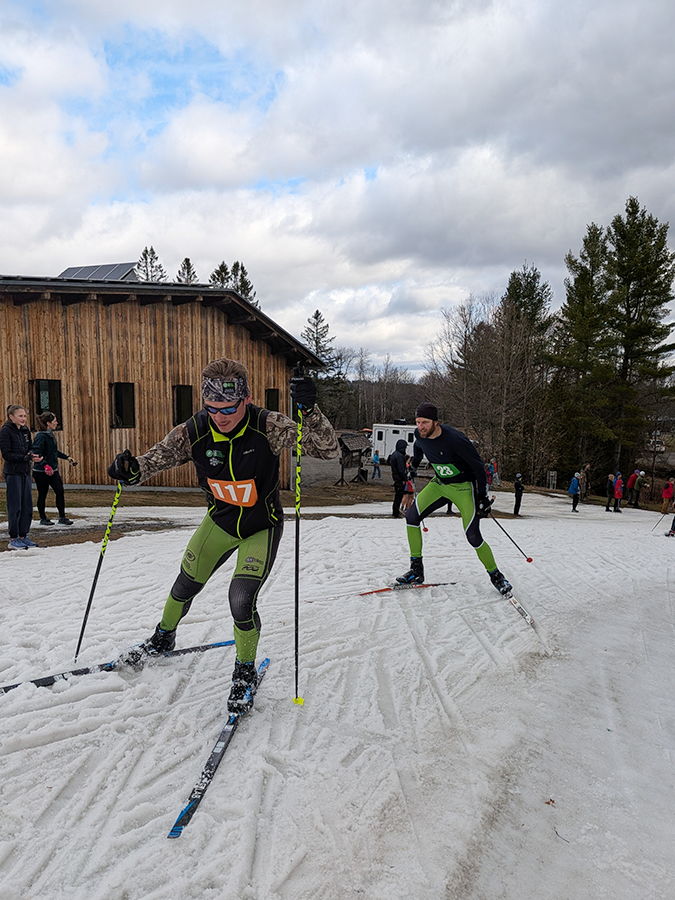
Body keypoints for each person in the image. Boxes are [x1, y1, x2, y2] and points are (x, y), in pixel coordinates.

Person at [107, 358, 338, 713]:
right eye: (212, 408)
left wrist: (311, 410)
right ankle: (162, 638)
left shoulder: (268, 425)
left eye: (229, 408)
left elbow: (327, 450)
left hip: (259, 527)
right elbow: (155, 459)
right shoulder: (195, 430)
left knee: (241, 599)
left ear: (245, 399)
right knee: (185, 584)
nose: (221, 416)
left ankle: (244, 671)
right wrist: (129, 469)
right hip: (219, 522)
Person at [395, 402, 512, 595]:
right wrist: (414, 463)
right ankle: (416, 571)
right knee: (412, 517)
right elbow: (419, 446)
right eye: (417, 422)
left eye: (424, 422)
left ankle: (496, 576)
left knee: (473, 536)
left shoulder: (456, 439)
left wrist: (482, 496)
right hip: (439, 484)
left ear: (436, 422)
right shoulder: (419, 434)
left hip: (462, 488)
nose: (420, 426)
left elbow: (478, 467)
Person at [0, 404, 42, 549]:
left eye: (24, 416)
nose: (23, 419)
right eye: (20, 416)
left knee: (27, 505)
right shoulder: (6, 431)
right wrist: (24, 457)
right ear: (12, 417)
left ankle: (23, 535)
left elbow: (30, 446)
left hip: (25, 472)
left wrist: (32, 455)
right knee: (15, 505)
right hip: (13, 472)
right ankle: (13, 538)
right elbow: (7, 454)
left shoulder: (25, 430)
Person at [32, 411, 78, 525]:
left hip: (53, 469)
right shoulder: (40, 437)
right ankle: (43, 518)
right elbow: (36, 453)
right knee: (43, 493)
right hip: (41, 471)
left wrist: (67, 457)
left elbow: (53, 452)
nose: (57, 423)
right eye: (54, 421)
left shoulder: (50, 435)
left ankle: (62, 517)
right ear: (48, 423)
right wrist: (45, 465)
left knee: (59, 490)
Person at [390, 439, 407, 518]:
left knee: (398, 495)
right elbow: (401, 469)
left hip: (396, 478)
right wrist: (405, 478)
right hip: (399, 479)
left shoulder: (395, 454)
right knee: (399, 496)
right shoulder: (399, 456)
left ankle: (396, 511)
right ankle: (396, 512)